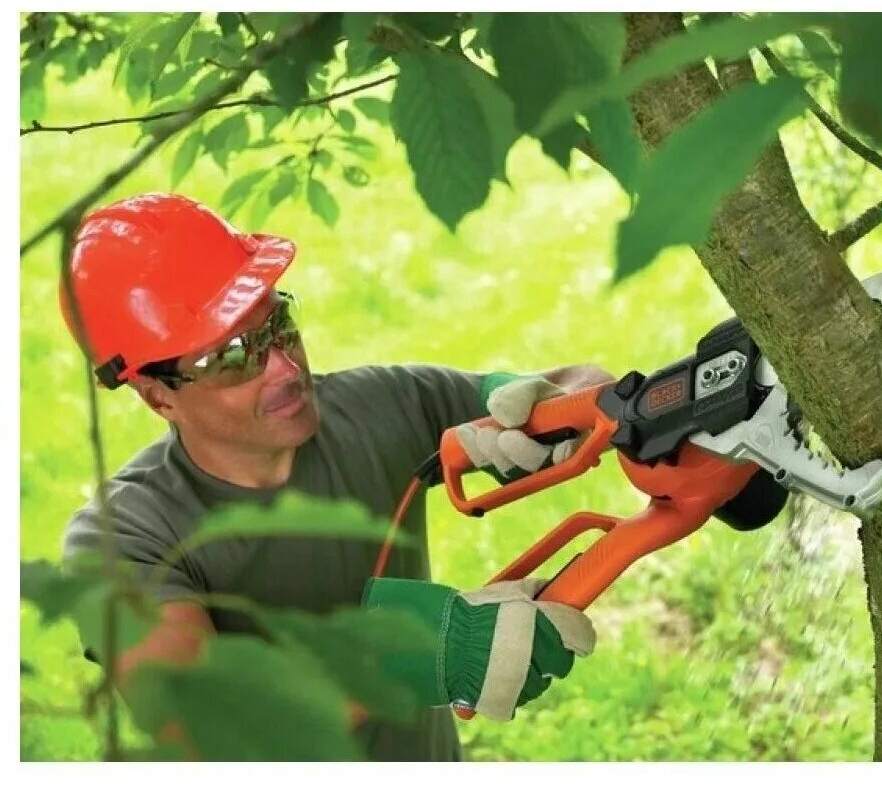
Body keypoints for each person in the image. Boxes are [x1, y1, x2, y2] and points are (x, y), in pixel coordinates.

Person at [59, 192, 613, 761]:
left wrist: (545, 407)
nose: (285, 368)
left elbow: (590, 385)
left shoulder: (381, 404)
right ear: (158, 397)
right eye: (231, 357)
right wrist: (406, 657)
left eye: (278, 324)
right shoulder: (122, 542)